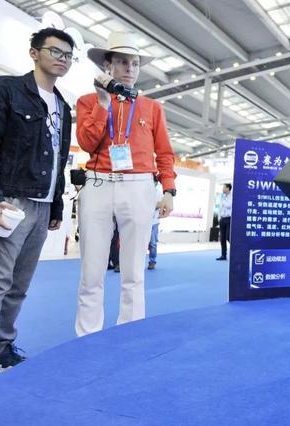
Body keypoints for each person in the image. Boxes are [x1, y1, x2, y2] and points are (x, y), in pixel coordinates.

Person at [0, 28, 74, 388]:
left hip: (42, 205)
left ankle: (1, 347)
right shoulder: (4, 89)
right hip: (10, 200)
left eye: (68, 55)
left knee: (19, 284)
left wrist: (56, 205)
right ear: (34, 53)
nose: (62, 59)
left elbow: (59, 160)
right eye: (55, 51)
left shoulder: (63, 106)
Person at [75, 31, 176, 336]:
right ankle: (87, 335)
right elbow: (87, 143)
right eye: (122, 62)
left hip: (139, 186)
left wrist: (168, 190)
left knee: (133, 270)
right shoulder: (87, 101)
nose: (129, 68)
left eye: (134, 63)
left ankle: (130, 333)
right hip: (98, 184)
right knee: (91, 270)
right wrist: (102, 103)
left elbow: (164, 152)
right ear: (108, 65)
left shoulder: (152, 108)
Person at [148, 178, 164, 270]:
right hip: (143, 221)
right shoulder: (143, 191)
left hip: (154, 222)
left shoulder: (159, 193)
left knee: (153, 243)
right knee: (140, 243)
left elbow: (161, 204)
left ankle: (152, 261)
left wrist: (153, 206)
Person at [217, 183, 232, 261]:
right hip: (222, 219)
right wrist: (219, 218)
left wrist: (223, 203)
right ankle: (223, 255)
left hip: (229, 219)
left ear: (228, 188)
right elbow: (220, 208)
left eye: (224, 187)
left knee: (228, 237)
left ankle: (236, 251)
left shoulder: (232, 196)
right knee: (222, 238)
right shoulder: (223, 197)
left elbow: (228, 205)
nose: (222, 189)